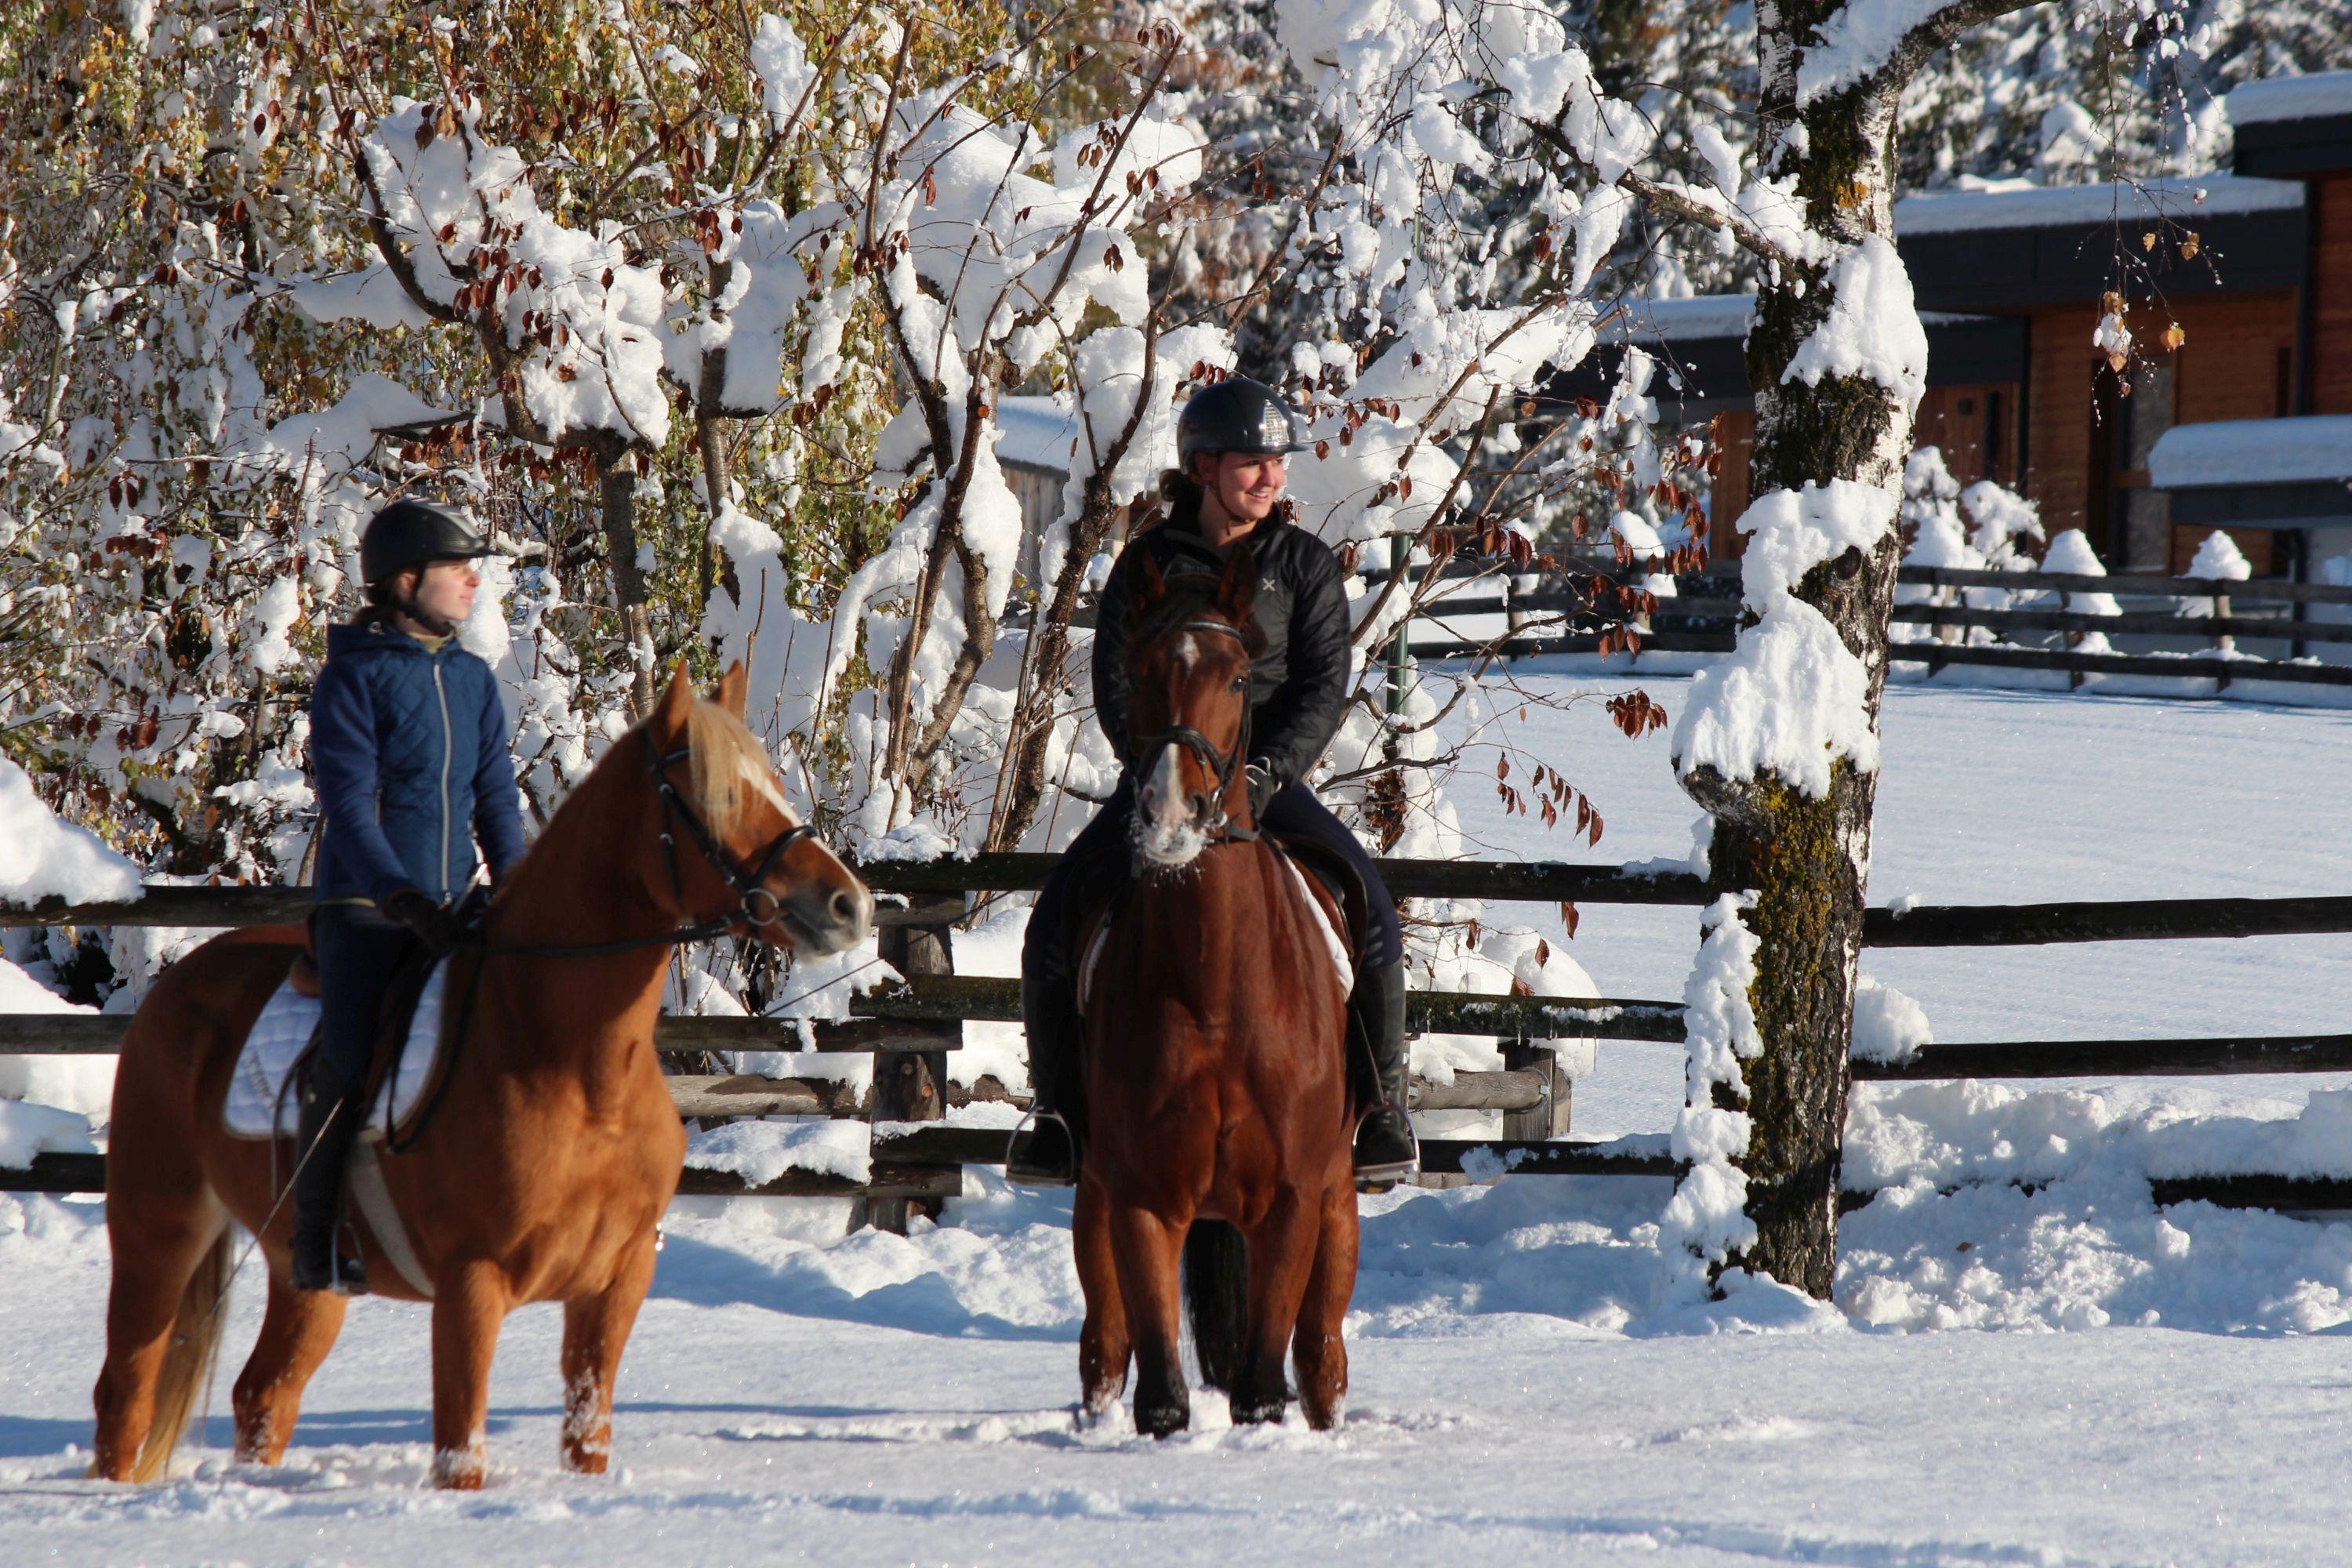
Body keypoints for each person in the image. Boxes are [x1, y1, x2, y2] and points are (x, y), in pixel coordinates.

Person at [1007, 377, 1417, 1188]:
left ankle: (1381, 1109)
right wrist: (1156, 768)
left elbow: (1322, 688)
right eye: (1251, 463)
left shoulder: (1303, 565)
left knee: (1372, 911)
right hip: (1165, 778)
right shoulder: (1147, 563)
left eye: (1276, 462)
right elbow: (1116, 683)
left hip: (1267, 783)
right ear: (1203, 468)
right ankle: (1056, 1116)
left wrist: (1265, 774)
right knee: (1053, 920)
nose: (1270, 477)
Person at [293, 499, 524, 1293]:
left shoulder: (472, 679)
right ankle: (316, 1238)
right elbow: (350, 806)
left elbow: (496, 800)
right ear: (402, 582)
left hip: (456, 908)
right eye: (455, 567)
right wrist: (396, 895)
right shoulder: (351, 678)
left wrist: (515, 887)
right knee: (350, 1057)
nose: (471, 580)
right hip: (366, 909)